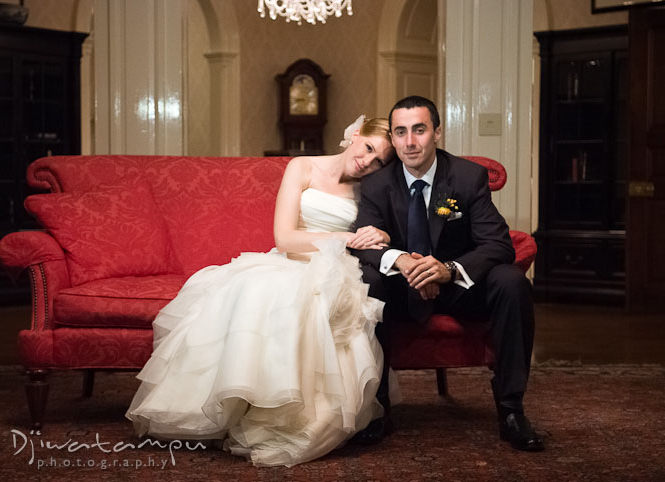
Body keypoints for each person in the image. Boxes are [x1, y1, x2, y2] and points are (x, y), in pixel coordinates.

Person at [126, 116, 397, 467]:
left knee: (327, 303)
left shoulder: (370, 190)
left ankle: (296, 416)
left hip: (335, 269)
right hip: (289, 260)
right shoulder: (302, 167)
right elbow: (283, 237)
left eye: (379, 161)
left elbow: (385, 229)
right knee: (257, 293)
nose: (368, 162)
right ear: (356, 136)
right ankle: (236, 403)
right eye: (368, 149)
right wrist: (343, 238)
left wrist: (384, 236)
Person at [350, 96, 543, 452]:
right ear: (392, 138)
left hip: (459, 290)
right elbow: (362, 243)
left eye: (419, 130)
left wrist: (448, 269)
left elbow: (499, 245)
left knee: (511, 281)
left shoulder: (467, 177)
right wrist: (405, 262)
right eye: (401, 132)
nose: (410, 142)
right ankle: (377, 411)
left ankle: (512, 409)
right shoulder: (377, 184)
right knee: (368, 280)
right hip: (401, 291)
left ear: (437, 132)